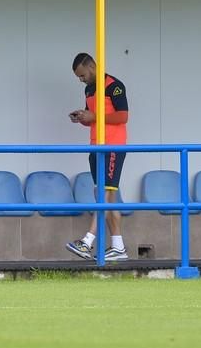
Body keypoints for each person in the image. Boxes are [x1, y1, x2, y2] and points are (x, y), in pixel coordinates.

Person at [66, 52, 129, 261]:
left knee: (105, 194)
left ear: (91, 67)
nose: (81, 80)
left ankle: (87, 241)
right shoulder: (89, 89)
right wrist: (83, 118)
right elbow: (92, 116)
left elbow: (123, 116)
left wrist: (94, 116)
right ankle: (118, 246)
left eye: (82, 75)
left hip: (112, 146)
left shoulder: (114, 85)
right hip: (96, 146)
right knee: (103, 196)